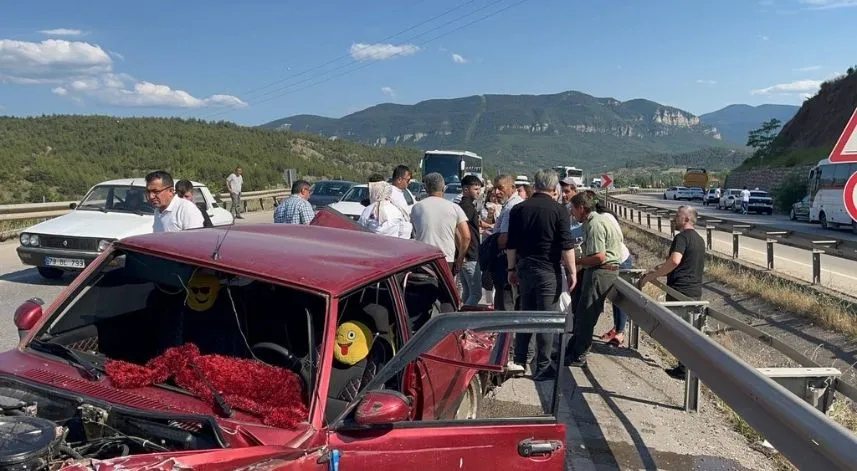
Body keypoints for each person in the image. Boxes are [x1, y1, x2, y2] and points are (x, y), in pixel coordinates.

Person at [506, 170, 577, 381]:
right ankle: (543, 366)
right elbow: (566, 244)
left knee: (525, 315)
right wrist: (572, 272)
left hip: (524, 268)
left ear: (535, 185)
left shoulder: (519, 209)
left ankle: (519, 362)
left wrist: (511, 269)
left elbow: (512, 244)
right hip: (548, 270)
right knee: (547, 319)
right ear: (554, 187)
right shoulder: (559, 210)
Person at [638, 206, 705, 379]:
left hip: (679, 290)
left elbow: (675, 261)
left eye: (677, 216)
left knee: (678, 332)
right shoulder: (699, 239)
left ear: (686, 219)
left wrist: (652, 276)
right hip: (694, 290)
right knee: (688, 332)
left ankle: (684, 370)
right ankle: (684, 367)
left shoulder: (681, 237)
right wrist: (660, 267)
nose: (674, 218)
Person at [565, 190, 625, 367]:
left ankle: (579, 355)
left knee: (586, 314)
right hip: (602, 270)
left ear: (582, 208)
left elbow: (599, 256)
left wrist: (577, 261)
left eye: (574, 210)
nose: (572, 214)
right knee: (584, 312)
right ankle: (574, 348)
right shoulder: (602, 219)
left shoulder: (595, 224)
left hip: (601, 271)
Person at [411, 173, 471, 275]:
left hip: (422, 259)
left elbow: (416, 231)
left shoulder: (416, 207)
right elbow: (466, 236)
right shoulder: (454, 207)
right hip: (445, 258)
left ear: (425, 188)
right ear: (444, 187)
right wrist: (460, 259)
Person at [594, 201, 632, 346]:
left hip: (620, 260)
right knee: (615, 298)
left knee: (620, 297)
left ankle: (620, 332)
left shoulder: (603, 218)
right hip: (615, 258)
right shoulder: (603, 217)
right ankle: (617, 329)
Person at [458, 175, 484, 305]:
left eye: (479, 189)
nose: (478, 192)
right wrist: (464, 254)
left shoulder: (465, 206)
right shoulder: (467, 207)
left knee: (467, 292)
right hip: (470, 255)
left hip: (466, 255)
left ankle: (460, 316)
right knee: (476, 294)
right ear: (466, 189)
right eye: (475, 189)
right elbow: (462, 233)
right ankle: (463, 320)